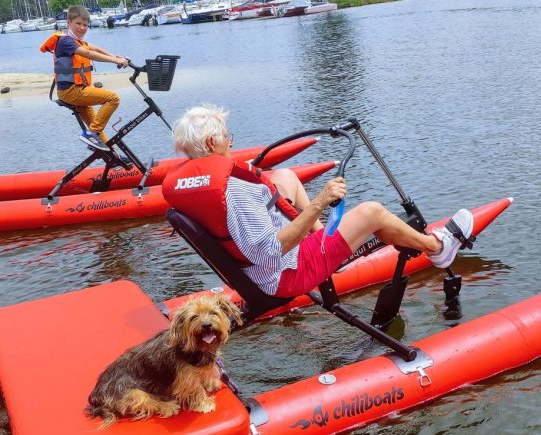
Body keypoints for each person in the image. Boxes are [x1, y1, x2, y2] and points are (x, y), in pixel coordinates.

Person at [162, 104, 475, 299]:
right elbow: (269, 250)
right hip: (282, 275)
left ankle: (329, 246)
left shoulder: (196, 186)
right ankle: (438, 249)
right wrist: (321, 200)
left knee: (284, 177)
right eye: (227, 138)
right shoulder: (235, 193)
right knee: (372, 212)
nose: (231, 143)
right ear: (210, 142)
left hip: (255, 267)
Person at [40, 5, 129, 151]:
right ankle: (91, 134)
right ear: (68, 22)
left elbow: (94, 49)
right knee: (112, 98)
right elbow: (88, 54)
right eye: (78, 24)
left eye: (85, 25)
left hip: (79, 90)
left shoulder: (79, 41)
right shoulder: (65, 41)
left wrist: (116, 56)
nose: (82, 28)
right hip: (71, 91)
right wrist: (115, 61)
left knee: (97, 127)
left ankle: (114, 159)